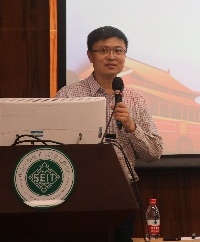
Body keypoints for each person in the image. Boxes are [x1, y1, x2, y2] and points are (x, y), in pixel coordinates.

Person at [55, 26, 163, 242]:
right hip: (78, 190)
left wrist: (131, 126)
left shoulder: (135, 99)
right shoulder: (68, 95)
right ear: (90, 55)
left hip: (121, 191)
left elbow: (154, 153)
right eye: (103, 50)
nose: (111, 56)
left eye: (118, 51)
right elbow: (53, 143)